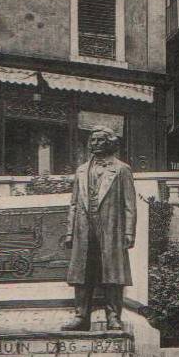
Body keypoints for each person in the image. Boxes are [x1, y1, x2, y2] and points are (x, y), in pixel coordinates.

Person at [62, 125, 137, 331]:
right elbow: (75, 204)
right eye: (92, 140)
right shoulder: (81, 170)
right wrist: (70, 231)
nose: (95, 144)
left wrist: (129, 232)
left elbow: (130, 204)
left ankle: (113, 316)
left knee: (112, 273)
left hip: (111, 228)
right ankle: (81, 316)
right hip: (84, 228)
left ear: (110, 143)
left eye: (100, 140)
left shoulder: (121, 169)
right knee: (81, 272)